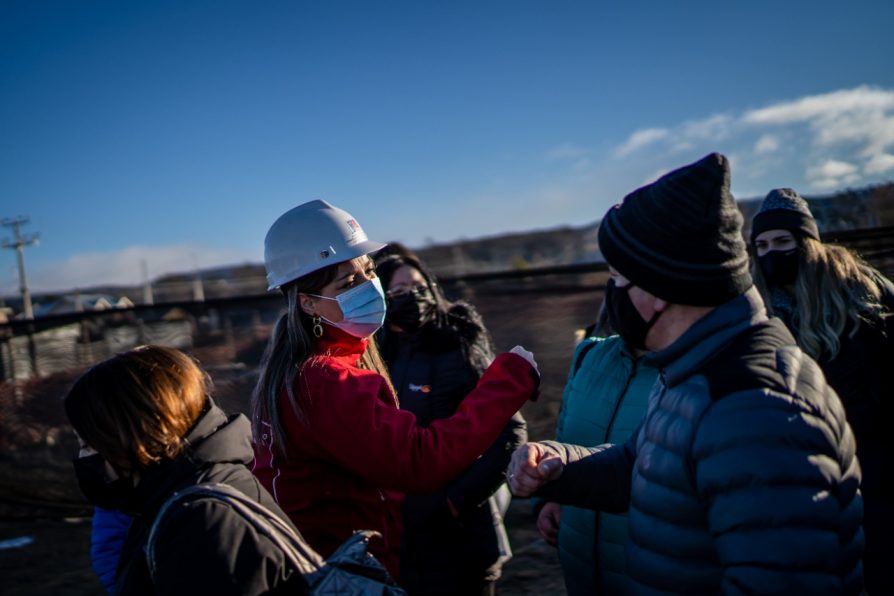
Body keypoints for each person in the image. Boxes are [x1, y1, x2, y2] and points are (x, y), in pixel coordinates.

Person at [507, 153, 864, 594]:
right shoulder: (693, 370)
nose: (612, 294)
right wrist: (561, 467)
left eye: (618, 279)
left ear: (659, 290)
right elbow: (641, 464)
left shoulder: (756, 410)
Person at [251, 200, 540, 582]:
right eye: (348, 282)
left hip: (328, 569)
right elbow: (419, 460)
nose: (369, 286)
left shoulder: (296, 371)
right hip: (345, 574)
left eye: (369, 270)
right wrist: (510, 379)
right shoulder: (324, 380)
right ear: (308, 303)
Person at [65, 345, 306, 595]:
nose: (83, 457)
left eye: (87, 444)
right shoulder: (172, 499)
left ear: (132, 434)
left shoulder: (204, 520)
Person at [750, 188, 894, 593]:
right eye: (761, 245)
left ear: (807, 243)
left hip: (875, 467)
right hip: (808, 468)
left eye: (783, 242)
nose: (771, 253)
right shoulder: (765, 309)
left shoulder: (860, 296)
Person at [374, 251, 527, 595]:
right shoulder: (377, 357)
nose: (413, 295)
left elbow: (511, 430)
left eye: (419, 285)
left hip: (462, 537)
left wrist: (454, 502)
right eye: (398, 290)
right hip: (402, 545)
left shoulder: (460, 345)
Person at [536, 308, 657, 596]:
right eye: (615, 276)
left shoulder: (687, 369)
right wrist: (551, 497)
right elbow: (565, 432)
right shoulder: (589, 355)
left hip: (646, 572)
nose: (620, 287)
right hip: (580, 567)